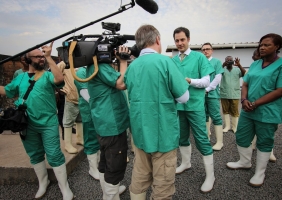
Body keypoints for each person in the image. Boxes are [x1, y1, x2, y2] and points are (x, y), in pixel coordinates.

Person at [0, 42, 74, 199]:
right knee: (34, 154)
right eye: (38, 56)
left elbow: (59, 79)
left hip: (48, 123)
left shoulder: (47, 75)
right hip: (27, 124)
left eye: (43, 56)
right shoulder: (19, 78)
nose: (41, 58)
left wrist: (49, 57)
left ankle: (65, 188)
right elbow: (6, 91)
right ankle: (43, 182)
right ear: (27, 59)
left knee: (54, 154)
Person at [125, 24, 189, 199]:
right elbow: (184, 97)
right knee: (162, 184)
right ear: (157, 40)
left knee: (139, 175)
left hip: (140, 133)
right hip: (163, 134)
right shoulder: (165, 62)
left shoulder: (132, 66)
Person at [226, 33, 282, 187]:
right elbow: (245, 83)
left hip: (268, 111)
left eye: (267, 45)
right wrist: (244, 100)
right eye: (261, 44)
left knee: (264, 141)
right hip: (248, 109)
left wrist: (255, 103)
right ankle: (244, 162)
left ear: (277, 47)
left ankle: (260, 172)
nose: (262, 47)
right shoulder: (256, 64)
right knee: (242, 136)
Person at [172, 27, 215, 193]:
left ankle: (210, 176)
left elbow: (206, 82)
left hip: (195, 105)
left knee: (202, 139)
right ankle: (185, 163)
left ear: (188, 39)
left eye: (182, 39)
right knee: (182, 137)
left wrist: (189, 80)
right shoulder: (173, 60)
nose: (180, 43)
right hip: (178, 106)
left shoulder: (199, 57)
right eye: (177, 40)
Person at [86, 45, 130, 199]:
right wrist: (123, 61)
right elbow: (121, 83)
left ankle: (110, 192)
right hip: (112, 126)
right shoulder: (101, 67)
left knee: (106, 163)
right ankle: (110, 195)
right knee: (115, 168)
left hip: (103, 124)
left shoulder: (92, 67)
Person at [73, 67, 101, 180]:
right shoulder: (81, 72)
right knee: (91, 139)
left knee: (98, 138)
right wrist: (102, 105)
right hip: (90, 112)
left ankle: (97, 165)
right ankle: (93, 169)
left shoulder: (93, 69)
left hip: (97, 112)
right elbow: (85, 93)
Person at [250, 49, 277, 162]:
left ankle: (269, 151)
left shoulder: (278, 65)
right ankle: (252, 145)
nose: (258, 56)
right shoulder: (253, 67)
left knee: (266, 131)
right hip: (251, 104)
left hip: (267, 105)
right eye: (256, 55)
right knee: (252, 127)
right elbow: (246, 83)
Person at [57, 60, 84, 154]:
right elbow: (55, 72)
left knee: (80, 120)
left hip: (81, 98)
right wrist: (65, 61)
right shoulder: (65, 65)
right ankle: (67, 144)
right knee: (68, 121)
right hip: (70, 98)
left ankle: (80, 139)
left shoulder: (80, 65)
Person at [202, 42, 224, 150]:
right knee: (204, 115)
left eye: (208, 49)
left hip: (212, 94)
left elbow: (218, 77)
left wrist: (208, 89)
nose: (205, 51)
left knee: (216, 116)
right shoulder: (201, 62)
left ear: (212, 50)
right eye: (204, 49)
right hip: (201, 94)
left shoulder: (216, 62)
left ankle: (220, 142)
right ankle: (207, 136)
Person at [220, 56, 246, 133]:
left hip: (235, 93)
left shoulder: (237, 69)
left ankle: (235, 127)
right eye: (227, 60)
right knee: (225, 110)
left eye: (230, 60)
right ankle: (227, 126)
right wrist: (222, 65)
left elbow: (245, 74)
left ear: (233, 61)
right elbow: (216, 73)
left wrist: (239, 65)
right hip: (224, 93)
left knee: (235, 110)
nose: (229, 61)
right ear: (225, 61)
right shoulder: (222, 70)